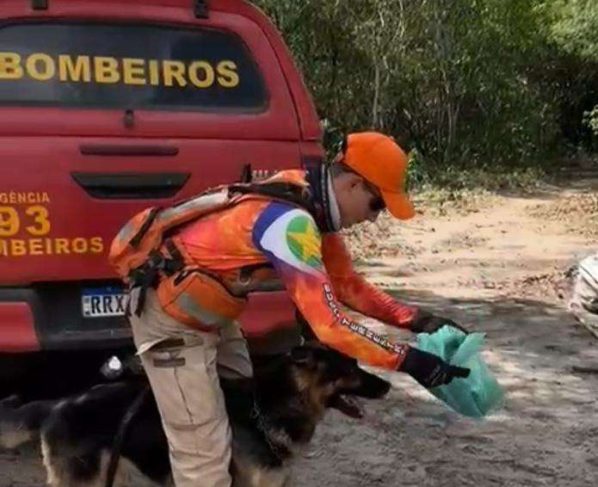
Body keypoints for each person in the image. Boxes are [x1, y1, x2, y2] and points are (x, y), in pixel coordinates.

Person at [124, 131, 470, 487]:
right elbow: (330, 326)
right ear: (353, 185)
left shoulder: (308, 203)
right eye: (377, 205)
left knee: (247, 409)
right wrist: (408, 360)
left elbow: (346, 285)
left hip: (211, 314)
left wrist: (418, 320)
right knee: (203, 454)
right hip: (171, 320)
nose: (373, 219)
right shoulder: (292, 223)